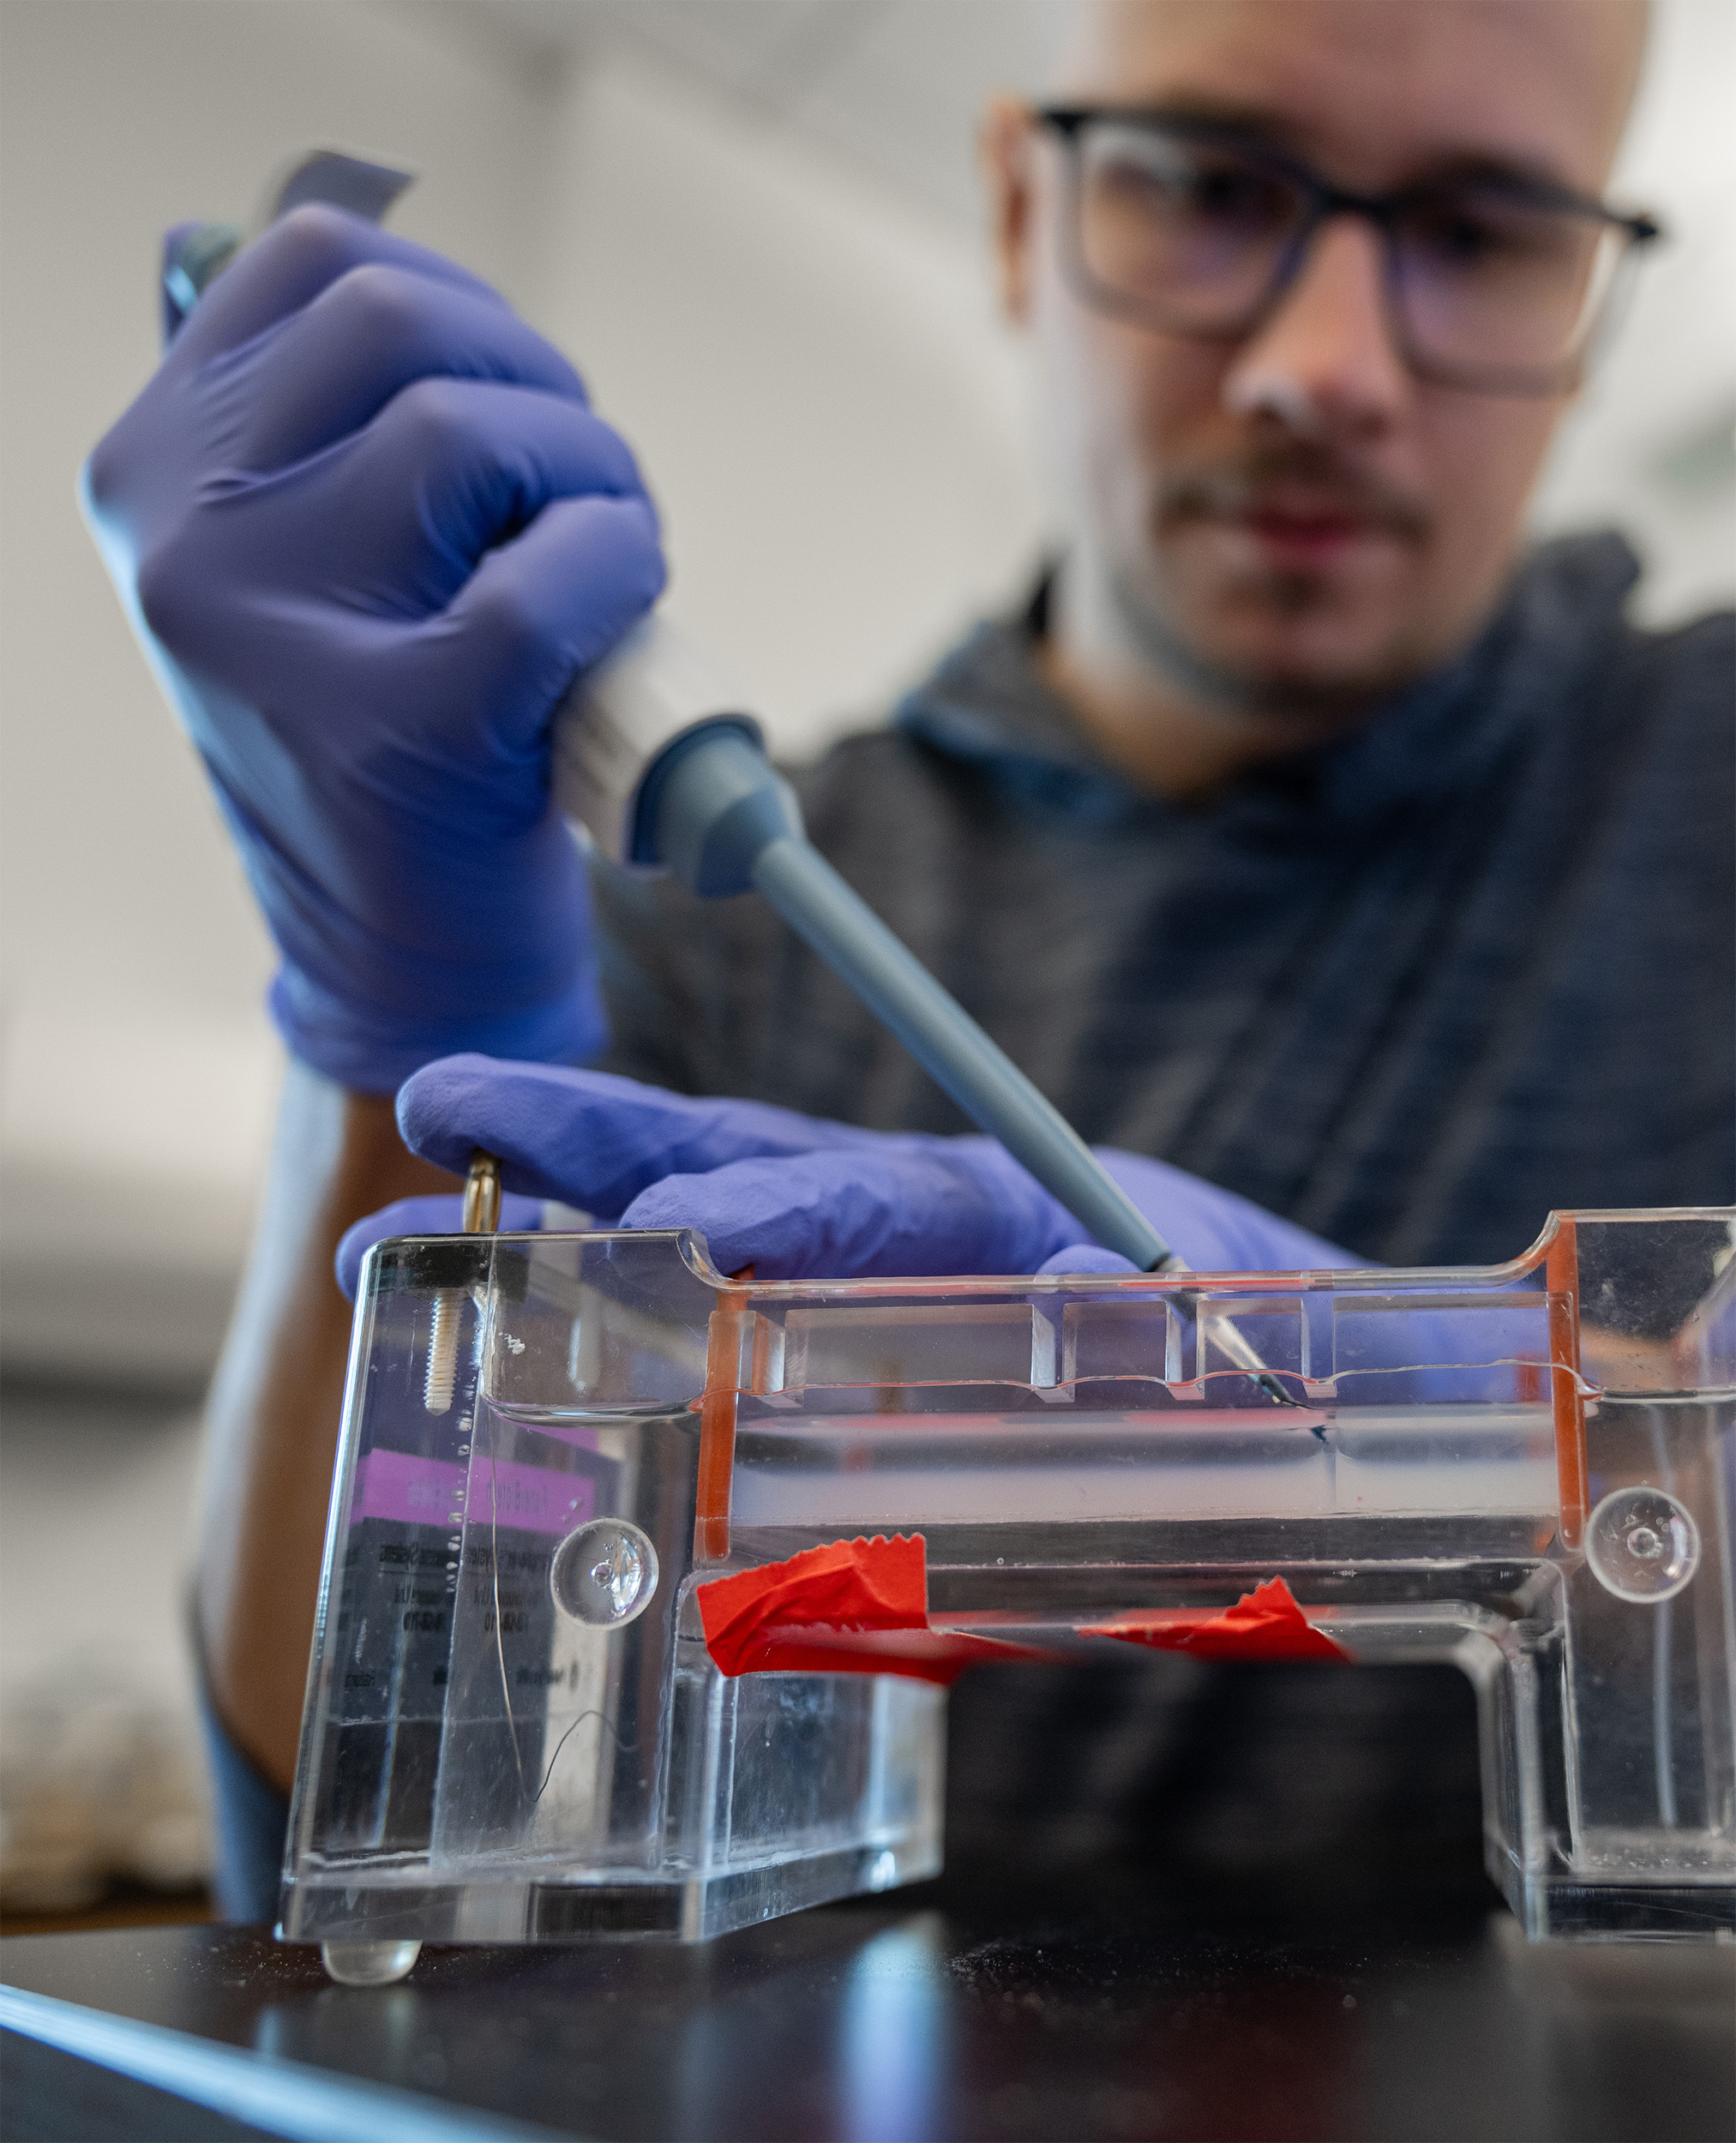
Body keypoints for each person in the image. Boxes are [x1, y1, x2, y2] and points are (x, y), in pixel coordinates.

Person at [83, 0, 1731, 1918]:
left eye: (1473, 233)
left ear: (1594, 282)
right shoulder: (711, 923)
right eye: (1208, 188)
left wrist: (1459, 1409)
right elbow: (362, 1874)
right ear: (1022, 211)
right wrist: (384, 1024)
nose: (1321, 368)